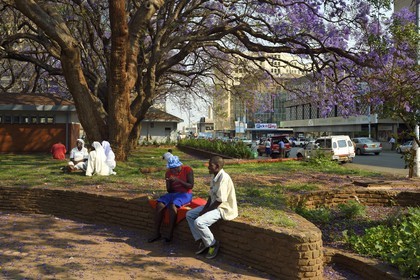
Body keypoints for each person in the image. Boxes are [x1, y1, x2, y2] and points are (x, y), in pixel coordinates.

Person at [186, 156, 238, 259]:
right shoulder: (215, 176)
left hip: (223, 208)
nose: (208, 167)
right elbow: (211, 196)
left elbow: (220, 200)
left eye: (210, 165)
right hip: (213, 205)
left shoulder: (223, 178)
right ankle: (203, 240)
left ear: (217, 166)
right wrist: (205, 209)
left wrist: (205, 212)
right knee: (189, 214)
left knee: (199, 222)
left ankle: (213, 244)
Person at [148, 155, 194, 243]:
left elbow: (190, 186)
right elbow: (169, 190)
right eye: (171, 168)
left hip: (185, 194)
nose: (172, 170)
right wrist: (169, 182)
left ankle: (170, 234)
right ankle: (156, 233)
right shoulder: (168, 173)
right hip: (173, 193)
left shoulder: (188, 170)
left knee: (172, 206)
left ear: (179, 166)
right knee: (160, 204)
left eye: (174, 168)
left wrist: (178, 180)